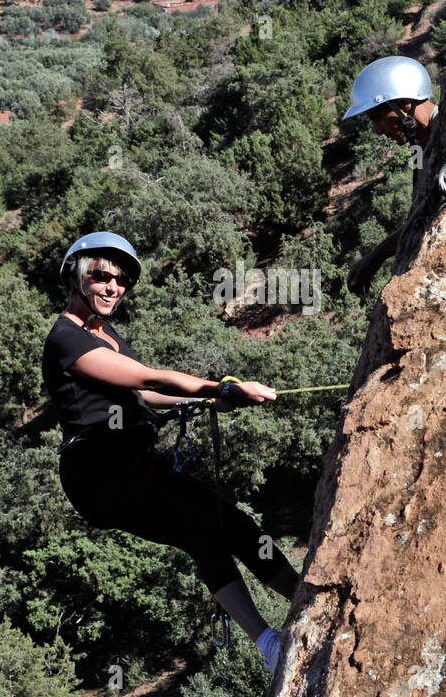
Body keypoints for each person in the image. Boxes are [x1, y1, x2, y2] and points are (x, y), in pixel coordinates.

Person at [42, 231, 300, 673]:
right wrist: (219, 387)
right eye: (102, 276)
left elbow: (143, 397)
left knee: (233, 521)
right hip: (99, 477)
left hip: (135, 467)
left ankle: (304, 600)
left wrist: (201, 400)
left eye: (121, 281)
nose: (113, 287)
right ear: (77, 275)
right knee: (201, 530)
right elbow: (150, 380)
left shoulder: (104, 333)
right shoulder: (66, 339)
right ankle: (269, 644)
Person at [342, 56, 438, 295]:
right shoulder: (417, 149)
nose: (376, 131)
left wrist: (377, 256)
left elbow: (431, 217)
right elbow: (420, 212)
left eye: (377, 117)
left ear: (405, 103)